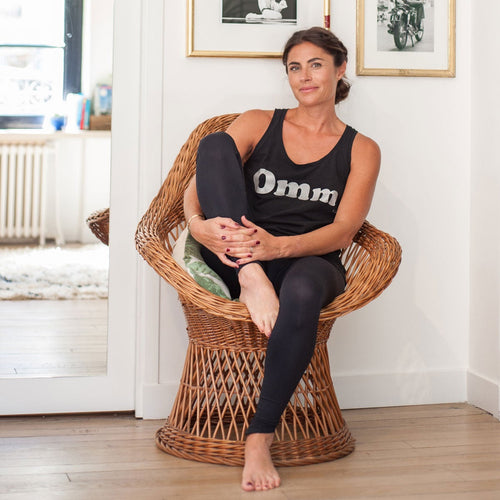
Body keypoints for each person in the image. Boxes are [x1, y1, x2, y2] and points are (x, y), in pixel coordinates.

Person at [183, 27, 380, 492]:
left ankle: (259, 436)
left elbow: (344, 230)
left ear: (340, 69)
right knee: (214, 144)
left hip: (308, 257)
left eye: (316, 64)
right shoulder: (257, 122)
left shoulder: (362, 149)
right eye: (295, 67)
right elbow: (202, 180)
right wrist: (196, 224)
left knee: (305, 288)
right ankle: (251, 276)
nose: (304, 76)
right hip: (241, 255)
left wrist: (278, 247)